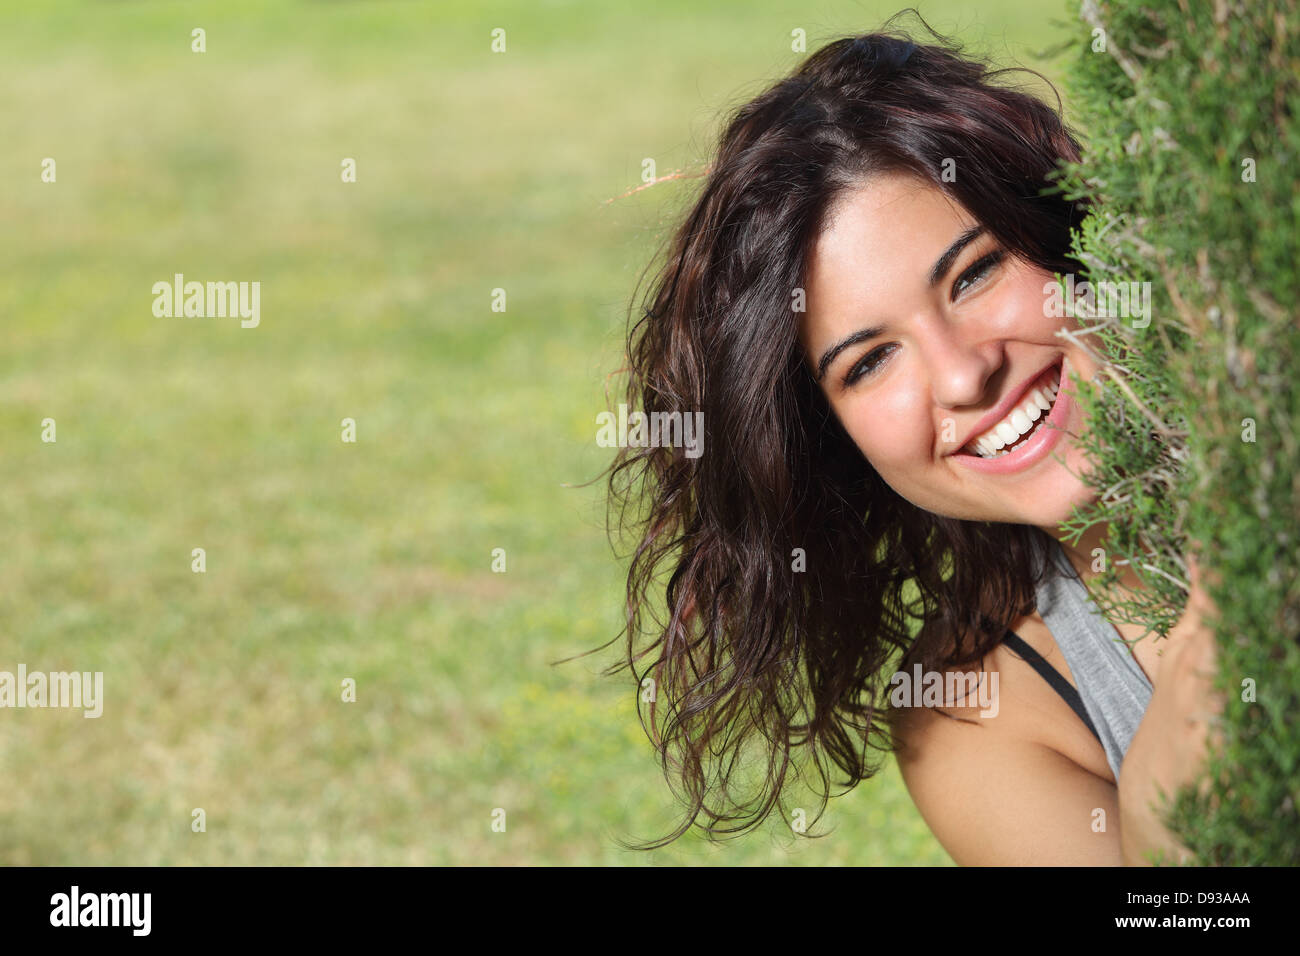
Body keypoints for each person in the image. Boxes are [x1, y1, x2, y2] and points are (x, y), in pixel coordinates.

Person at [604, 20, 1221, 865]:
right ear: (832, 441)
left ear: (1069, 235)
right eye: (870, 362)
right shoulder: (976, 711)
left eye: (974, 274)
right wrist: (1222, 609)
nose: (964, 376)